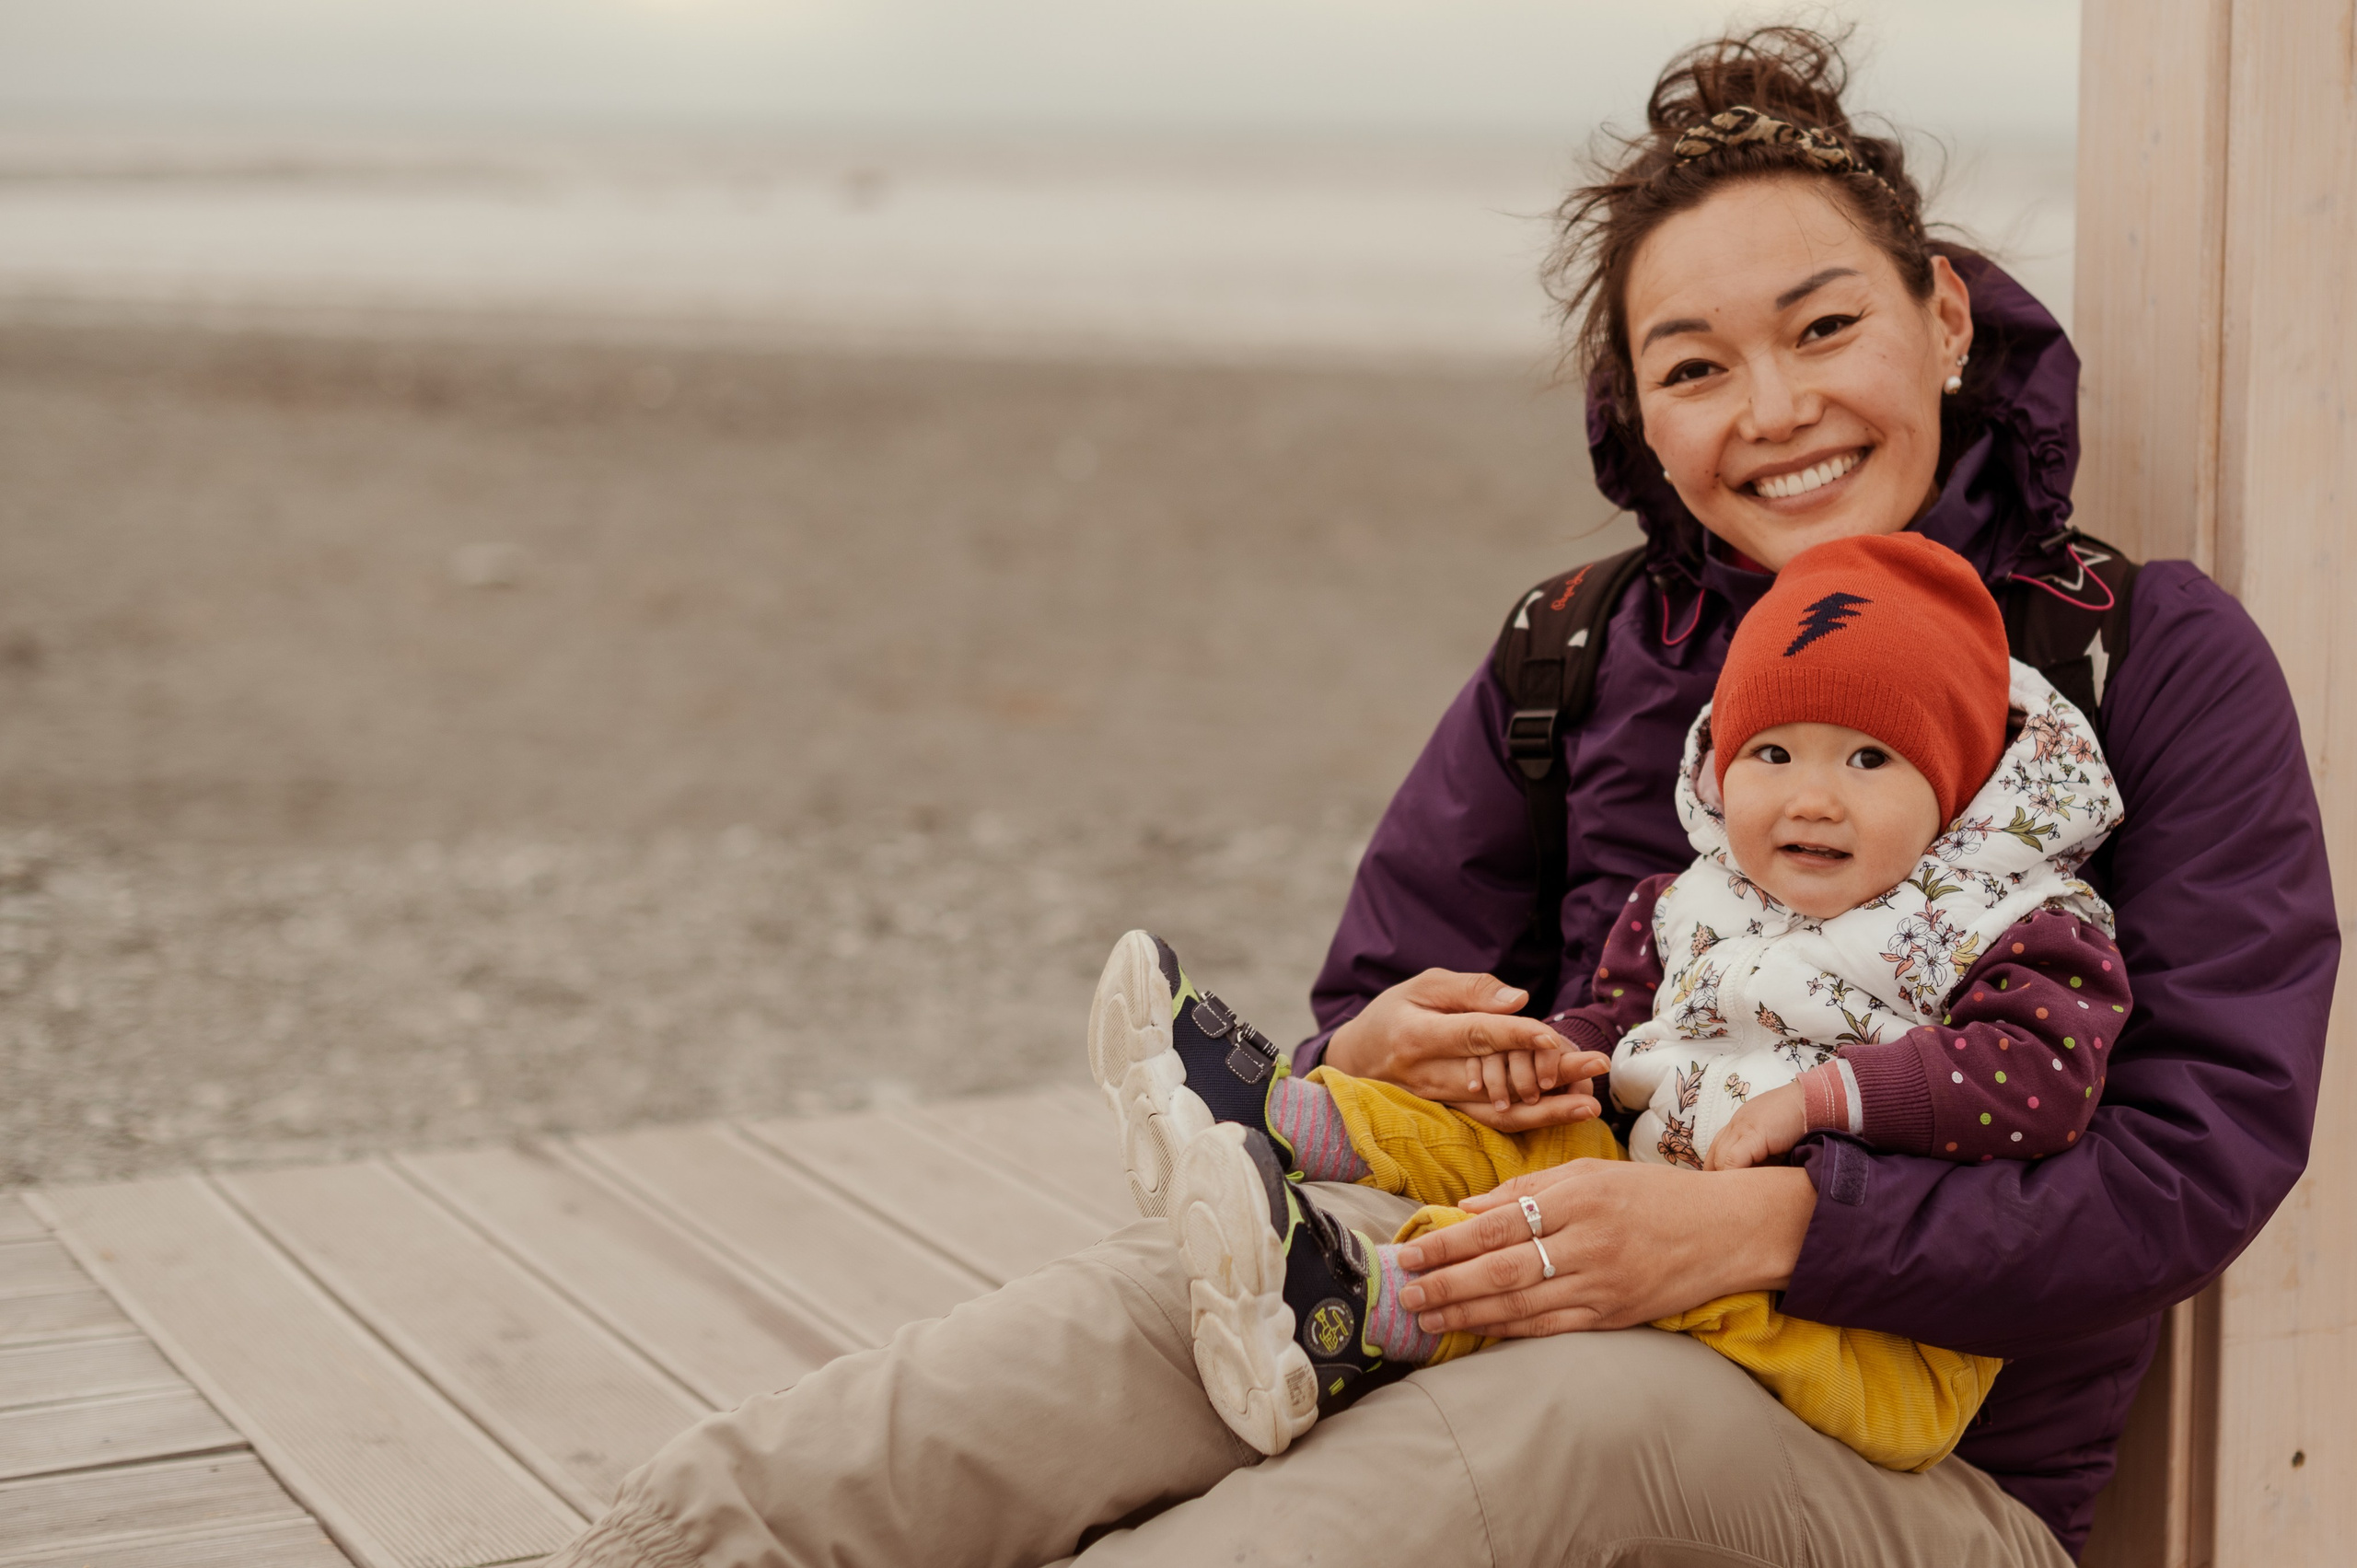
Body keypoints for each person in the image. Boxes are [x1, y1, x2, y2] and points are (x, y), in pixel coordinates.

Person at [550, 26, 2335, 1567]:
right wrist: (1382, 1051)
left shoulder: (2141, 657)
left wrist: (1756, 1224)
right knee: (1127, 1319)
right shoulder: (1576, 647)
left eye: (1823, 326)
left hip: (1902, 1461)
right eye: (1694, 365)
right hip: (1501, 1289)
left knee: (1545, 1422)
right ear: (1638, 413)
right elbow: (1367, 1018)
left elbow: (2194, 1160)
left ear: (1940, 316)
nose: (1775, 407)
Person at [1092, 531, 2126, 1474]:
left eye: (1868, 759)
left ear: (1953, 788)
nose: (1811, 797)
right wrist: (1554, 1056)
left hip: (1868, 1327)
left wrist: (1825, 1097)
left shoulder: (2011, 921)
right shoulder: (1694, 899)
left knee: (1595, 1258)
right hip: (1653, 1178)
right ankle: (1273, 1117)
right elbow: (1625, 1025)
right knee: (1528, 1132)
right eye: (1772, 753)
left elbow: (2042, 1077)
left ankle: (1362, 1315)